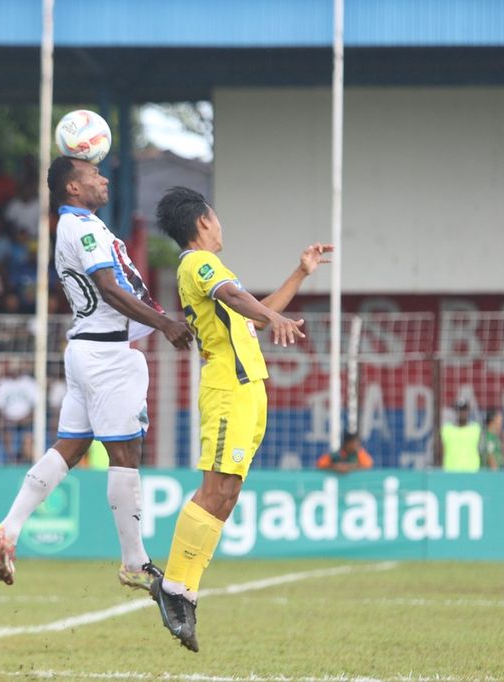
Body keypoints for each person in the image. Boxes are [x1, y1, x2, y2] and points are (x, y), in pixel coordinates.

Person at [0, 156, 194, 592]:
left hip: (88, 350)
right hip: (106, 356)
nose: (103, 178)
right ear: (73, 189)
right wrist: (165, 324)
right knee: (126, 453)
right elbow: (111, 289)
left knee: (72, 446)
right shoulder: (80, 226)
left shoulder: (77, 225)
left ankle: (10, 528)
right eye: (93, 175)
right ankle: (135, 562)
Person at [150, 186, 329, 652]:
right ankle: (173, 587)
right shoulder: (197, 263)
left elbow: (250, 316)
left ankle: (184, 590)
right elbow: (234, 295)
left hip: (248, 390)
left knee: (227, 494)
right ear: (204, 221)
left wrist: (300, 273)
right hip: (228, 389)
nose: (220, 225)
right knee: (214, 490)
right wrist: (270, 314)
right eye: (217, 217)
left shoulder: (213, 272)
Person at [441, 399, 481, 472]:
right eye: (460, 410)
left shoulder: (476, 429)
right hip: (451, 471)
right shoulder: (447, 430)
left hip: (471, 471)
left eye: (464, 410)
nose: (462, 413)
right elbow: (442, 451)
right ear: (455, 412)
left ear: (468, 411)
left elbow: (481, 450)